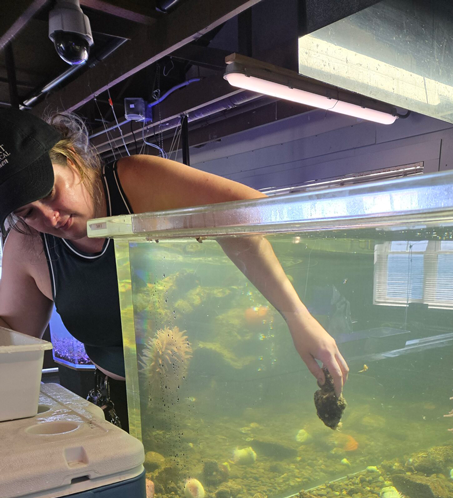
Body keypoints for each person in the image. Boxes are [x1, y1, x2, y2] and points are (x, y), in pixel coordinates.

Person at [0, 108, 348, 428]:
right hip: (120, 402)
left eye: (49, 191)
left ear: (72, 158)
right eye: (28, 211)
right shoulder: (28, 244)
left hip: (211, 392)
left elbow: (252, 214)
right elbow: (13, 340)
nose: (50, 217)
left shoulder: (136, 181)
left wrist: (296, 316)